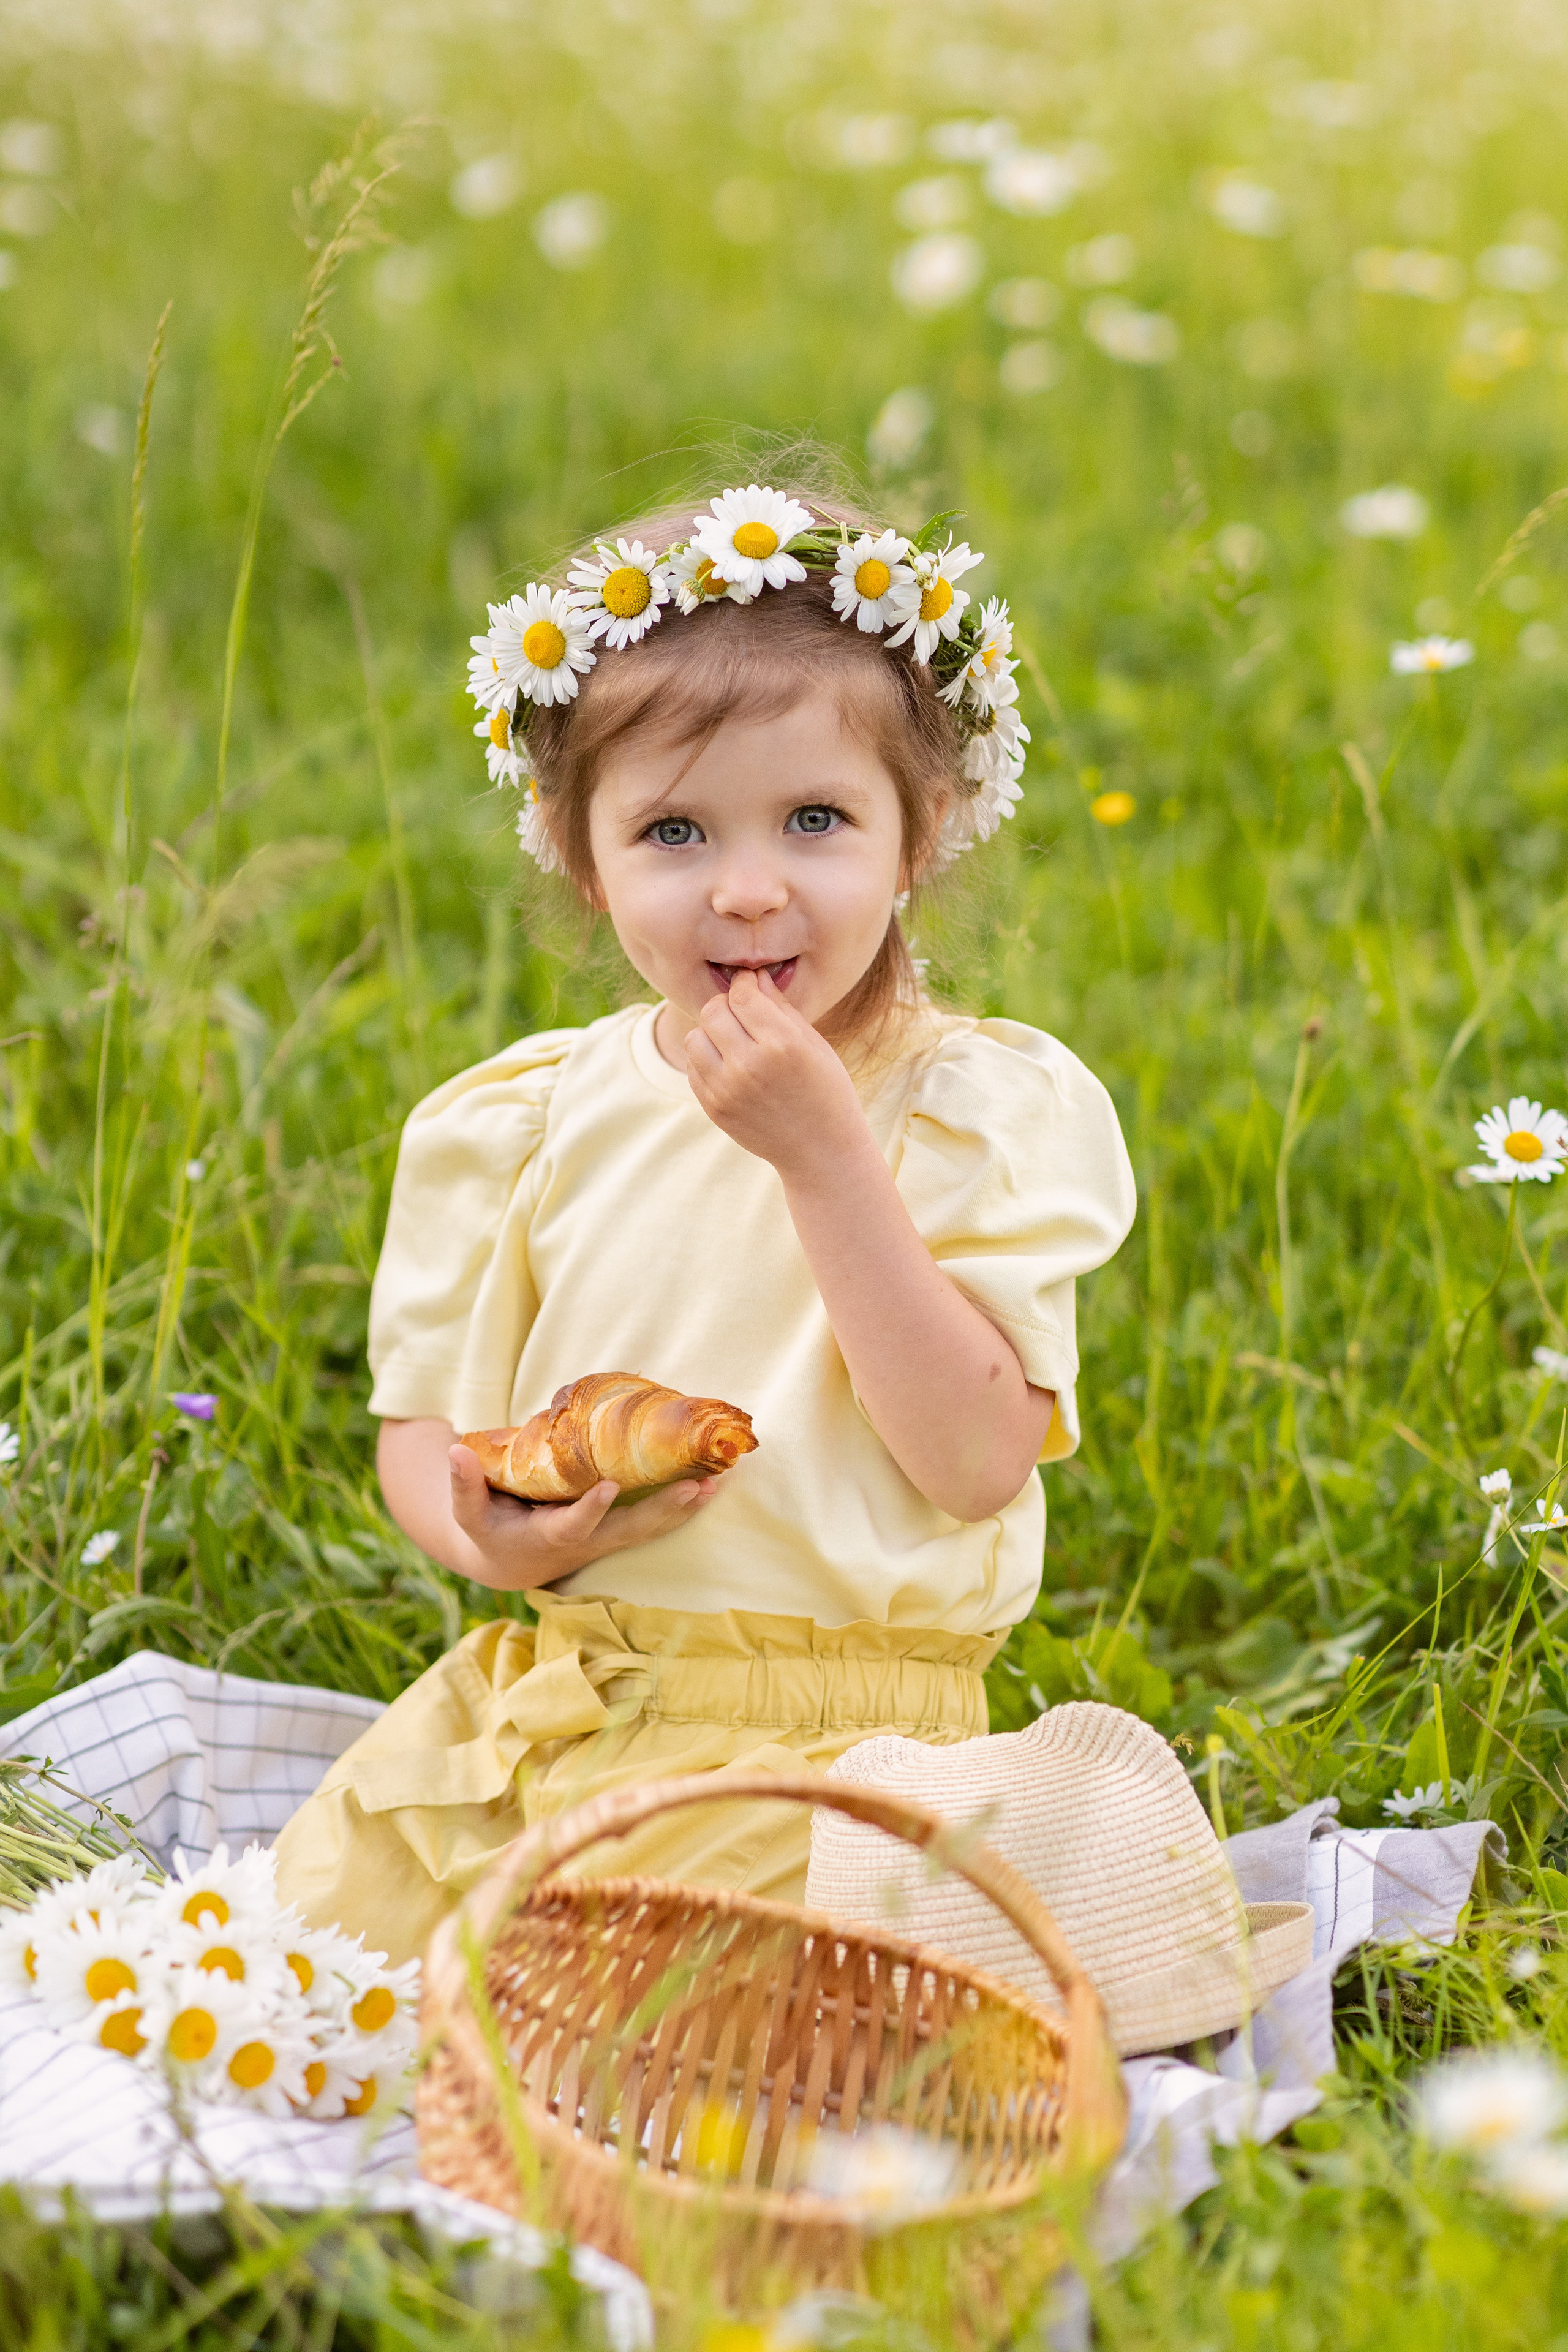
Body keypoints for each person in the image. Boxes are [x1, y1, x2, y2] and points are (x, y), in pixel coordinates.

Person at [272, 471, 1136, 1964]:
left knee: (638, 2013)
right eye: (673, 832)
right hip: (568, 1694)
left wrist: (822, 1163)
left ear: (916, 833)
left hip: (839, 1754)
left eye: (814, 820)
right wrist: (495, 1542)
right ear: (580, 854)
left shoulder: (967, 1110)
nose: (745, 893)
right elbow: (427, 1433)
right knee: (318, 1956)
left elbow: (975, 1457)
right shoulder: (524, 1119)